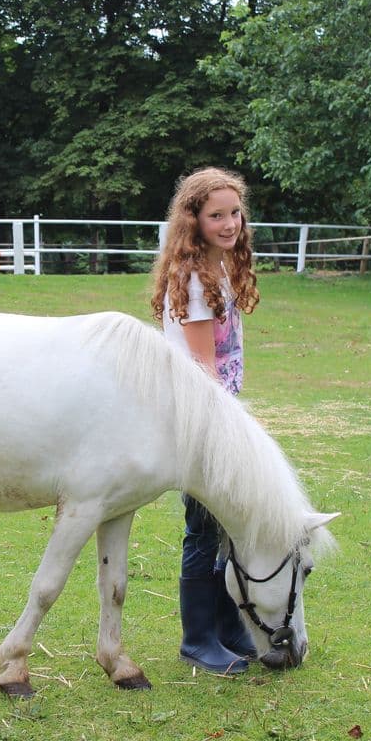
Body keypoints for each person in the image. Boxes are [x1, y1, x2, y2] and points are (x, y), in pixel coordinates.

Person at [150, 167, 260, 675]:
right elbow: (203, 373)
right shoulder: (195, 280)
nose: (230, 222)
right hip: (199, 419)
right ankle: (198, 637)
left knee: (222, 525)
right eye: (216, 215)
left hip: (220, 412)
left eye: (234, 212)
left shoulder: (219, 271)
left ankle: (227, 626)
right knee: (203, 526)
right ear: (193, 220)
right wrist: (230, 432)